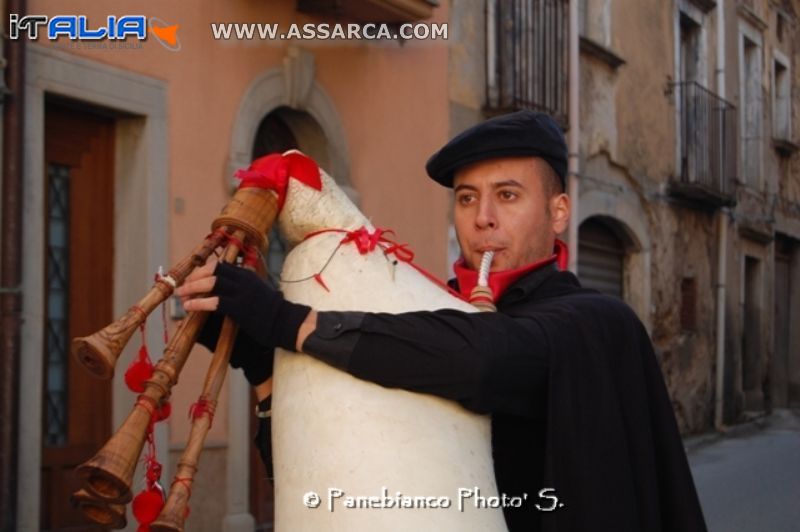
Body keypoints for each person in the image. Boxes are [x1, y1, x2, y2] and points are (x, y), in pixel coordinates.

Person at [177, 111, 708, 532]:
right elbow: (334, 457)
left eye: (508, 195)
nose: (482, 218)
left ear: (559, 212)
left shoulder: (594, 321)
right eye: (466, 198)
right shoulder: (421, 325)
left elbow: (484, 357)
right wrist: (264, 365)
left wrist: (286, 319)